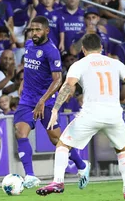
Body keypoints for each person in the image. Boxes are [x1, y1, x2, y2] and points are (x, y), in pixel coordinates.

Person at [36, 33, 125, 198]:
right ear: (101, 48)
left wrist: (54, 109)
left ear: (83, 49)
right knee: (122, 149)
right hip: (114, 115)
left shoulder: (79, 64)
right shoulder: (115, 63)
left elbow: (68, 86)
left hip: (91, 114)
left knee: (63, 144)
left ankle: (58, 181)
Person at [15, 16, 88, 189]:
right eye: (32, 29)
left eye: (38, 29)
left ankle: (82, 165)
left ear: (47, 31)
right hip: (27, 100)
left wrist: (42, 100)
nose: (34, 33)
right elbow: (29, 68)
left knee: (56, 140)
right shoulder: (28, 45)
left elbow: (57, 80)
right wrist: (23, 83)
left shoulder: (51, 51)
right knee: (20, 132)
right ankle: (30, 176)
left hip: (46, 102)